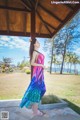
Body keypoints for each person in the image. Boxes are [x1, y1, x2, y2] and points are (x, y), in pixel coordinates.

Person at [19, 38, 46, 116]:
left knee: (42, 90)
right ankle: (35, 111)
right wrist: (41, 65)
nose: (39, 43)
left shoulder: (38, 52)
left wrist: (42, 67)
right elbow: (32, 63)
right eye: (38, 42)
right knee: (37, 92)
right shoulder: (35, 52)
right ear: (34, 44)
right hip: (37, 75)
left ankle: (31, 105)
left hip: (40, 75)